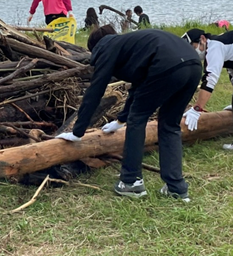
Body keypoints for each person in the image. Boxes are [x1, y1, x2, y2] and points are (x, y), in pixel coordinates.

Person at [57, 25, 201, 201]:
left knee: (138, 120)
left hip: (167, 64)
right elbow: (138, 88)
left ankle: (131, 182)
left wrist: (77, 132)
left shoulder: (107, 48)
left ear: (95, 48)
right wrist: (119, 121)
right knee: (170, 124)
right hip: (193, 65)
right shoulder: (133, 45)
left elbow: (95, 90)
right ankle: (176, 188)